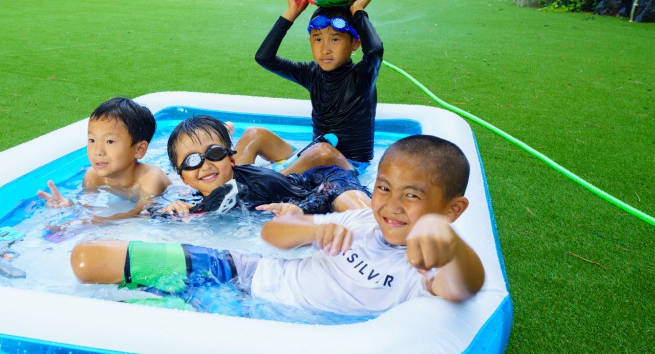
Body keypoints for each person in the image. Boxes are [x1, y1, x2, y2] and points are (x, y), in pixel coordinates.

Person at [70, 134, 485, 316]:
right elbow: (272, 235)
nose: (391, 206)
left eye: (412, 195)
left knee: (129, 311)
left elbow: (464, 286)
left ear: (452, 210)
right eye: (383, 188)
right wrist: (310, 229)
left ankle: (171, 303)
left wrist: (446, 244)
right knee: (88, 259)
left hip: (251, 313)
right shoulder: (360, 217)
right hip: (243, 269)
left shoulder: (427, 266)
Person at [255, 0, 383, 169]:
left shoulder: (362, 77)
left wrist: (358, 10)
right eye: (317, 39)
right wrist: (293, 10)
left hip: (349, 167)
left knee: (322, 151)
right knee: (254, 134)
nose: (325, 49)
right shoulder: (311, 73)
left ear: (355, 43)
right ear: (310, 41)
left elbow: (374, 51)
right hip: (312, 158)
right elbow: (264, 58)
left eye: (335, 39)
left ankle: (264, 185)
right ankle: (228, 184)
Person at [156, 115, 370, 217]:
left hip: (323, 182)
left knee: (363, 219)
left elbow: (319, 199)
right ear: (182, 176)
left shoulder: (260, 184)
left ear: (231, 159)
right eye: (192, 160)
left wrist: (301, 210)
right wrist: (167, 212)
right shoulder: (199, 197)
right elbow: (153, 216)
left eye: (214, 153)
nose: (205, 164)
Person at [38, 97, 170, 221]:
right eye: (92, 140)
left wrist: (98, 222)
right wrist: (69, 207)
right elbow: (86, 209)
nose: (98, 151)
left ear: (139, 149)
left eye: (110, 141)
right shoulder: (93, 176)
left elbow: (139, 215)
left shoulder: (151, 179)